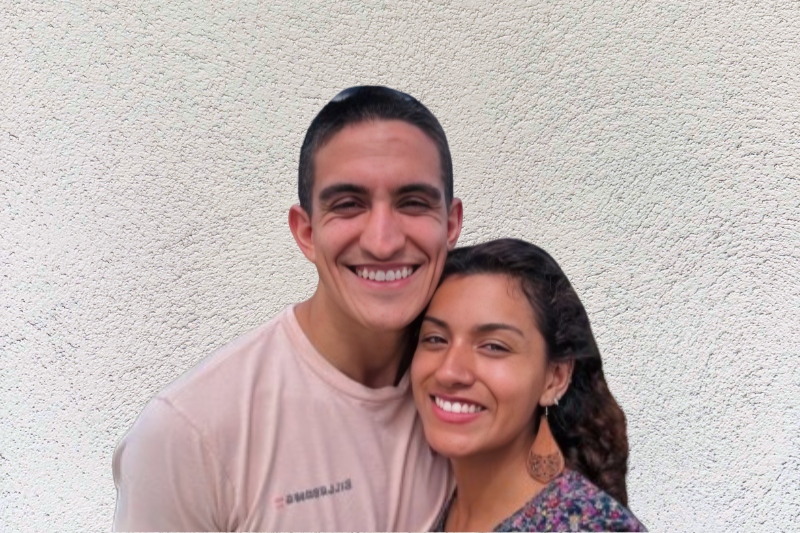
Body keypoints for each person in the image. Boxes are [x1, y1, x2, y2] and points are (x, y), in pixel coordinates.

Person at [112, 86, 463, 531]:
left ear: (450, 225)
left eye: (412, 203)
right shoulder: (189, 434)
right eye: (348, 205)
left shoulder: (479, 392)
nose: (383, 241)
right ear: (306, 233)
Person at [411, 239, 646, 532]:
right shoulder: (419, 509)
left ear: (555, 378)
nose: (449, 371)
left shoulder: (594, 527)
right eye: (435, 339)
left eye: (494, 346)